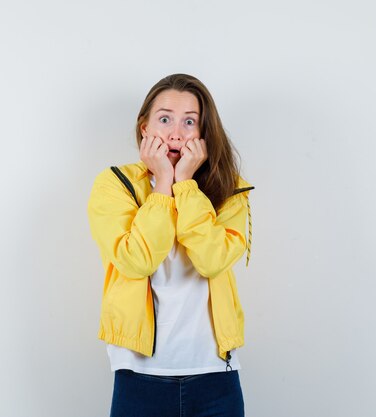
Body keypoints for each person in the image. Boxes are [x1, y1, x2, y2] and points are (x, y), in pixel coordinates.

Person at [86, 73, 255, 417]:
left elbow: (213, 260)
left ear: (205, 133)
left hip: (215, 378)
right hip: (140, 376)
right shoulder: (115, 185)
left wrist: (186, 186)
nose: (176, 133)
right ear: (145, 127)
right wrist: (163, 183)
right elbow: (136, 261)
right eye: (165, 119)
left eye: (190, 122)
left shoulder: (229, 189)